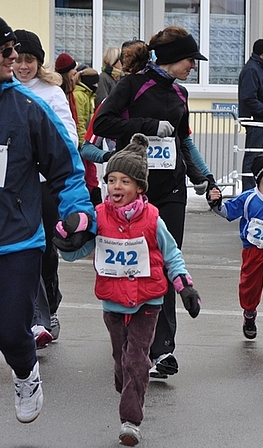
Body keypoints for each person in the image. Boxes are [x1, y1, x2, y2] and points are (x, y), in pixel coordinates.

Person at [0, 8, 95, 447]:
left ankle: (26, 371)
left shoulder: (28, 108)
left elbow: (67, 170)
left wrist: (77, 212)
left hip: (17, 241)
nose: (14, 57)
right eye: (5, 50)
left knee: (8, 330)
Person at [58, 134, 201, 446]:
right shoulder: (98, 217)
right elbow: (81, 251)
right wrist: (65, 244)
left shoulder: (152, 219)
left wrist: (185, 287)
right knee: (121, 361)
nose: (116, 187)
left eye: (124, 181)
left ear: (139, 187)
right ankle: (129, 384)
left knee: (136, 359)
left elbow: (171, 254)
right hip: (113, 301)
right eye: (111, 180)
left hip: (148, 301)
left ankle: (130, 422)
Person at [93, 25, 209, 380]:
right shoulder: (132, 85)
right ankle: (132, 337)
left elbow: (183, 141)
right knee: (135, 266)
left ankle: (163, 352)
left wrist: (203, 176)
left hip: (171, 190)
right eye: (191, 59)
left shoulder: (182, 93)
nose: (194, 65)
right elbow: (103, 122)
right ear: (173, 58)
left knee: (165, 264)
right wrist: (147, 125)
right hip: (134, 190)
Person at [12, 28, 79, 346]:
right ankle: (34, 317)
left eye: (30, 60)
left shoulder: (51, 92)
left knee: (46, 251)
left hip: (44, 183)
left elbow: (70, 136)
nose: (23, 66)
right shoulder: (1, 87)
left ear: (39, 62)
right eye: (19, 59)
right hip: (14, 184)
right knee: (25, 249)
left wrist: (39, 154)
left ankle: (50, 304)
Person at [207, 153, 263, 338]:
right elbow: (228, 211)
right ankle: (249, 314)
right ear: (259, 175)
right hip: (252, 249)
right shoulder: (248, 198)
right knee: (249, 288)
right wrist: (215, 202)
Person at [238, 39, 263, 191]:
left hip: (259, 121)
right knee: (252, 158)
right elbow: (249, 98)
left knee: (256, 157)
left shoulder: (257, 69)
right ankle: (248, 191)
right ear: (262, 53)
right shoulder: (253, 70)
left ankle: (254, 189)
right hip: (256, 121)